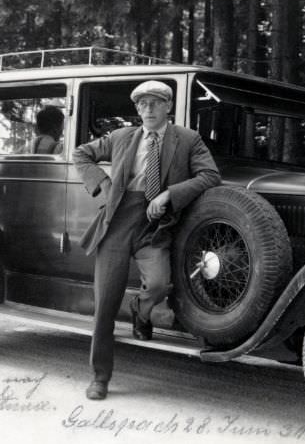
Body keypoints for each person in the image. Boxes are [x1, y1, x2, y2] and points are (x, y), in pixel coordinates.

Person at [73, 80, 221, 400]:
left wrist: (170, 194)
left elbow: (210, 176)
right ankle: (100, 377)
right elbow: (82, 154)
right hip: (116, 225)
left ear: (168, 107)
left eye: (155, 103)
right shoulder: (122, 137)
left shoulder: (187, 140)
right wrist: (104, 186)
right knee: (105, 307)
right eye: (142, 105)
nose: (148, 110)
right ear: (136, 109)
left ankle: (141, 310)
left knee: (158, 285)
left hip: (154, 227)